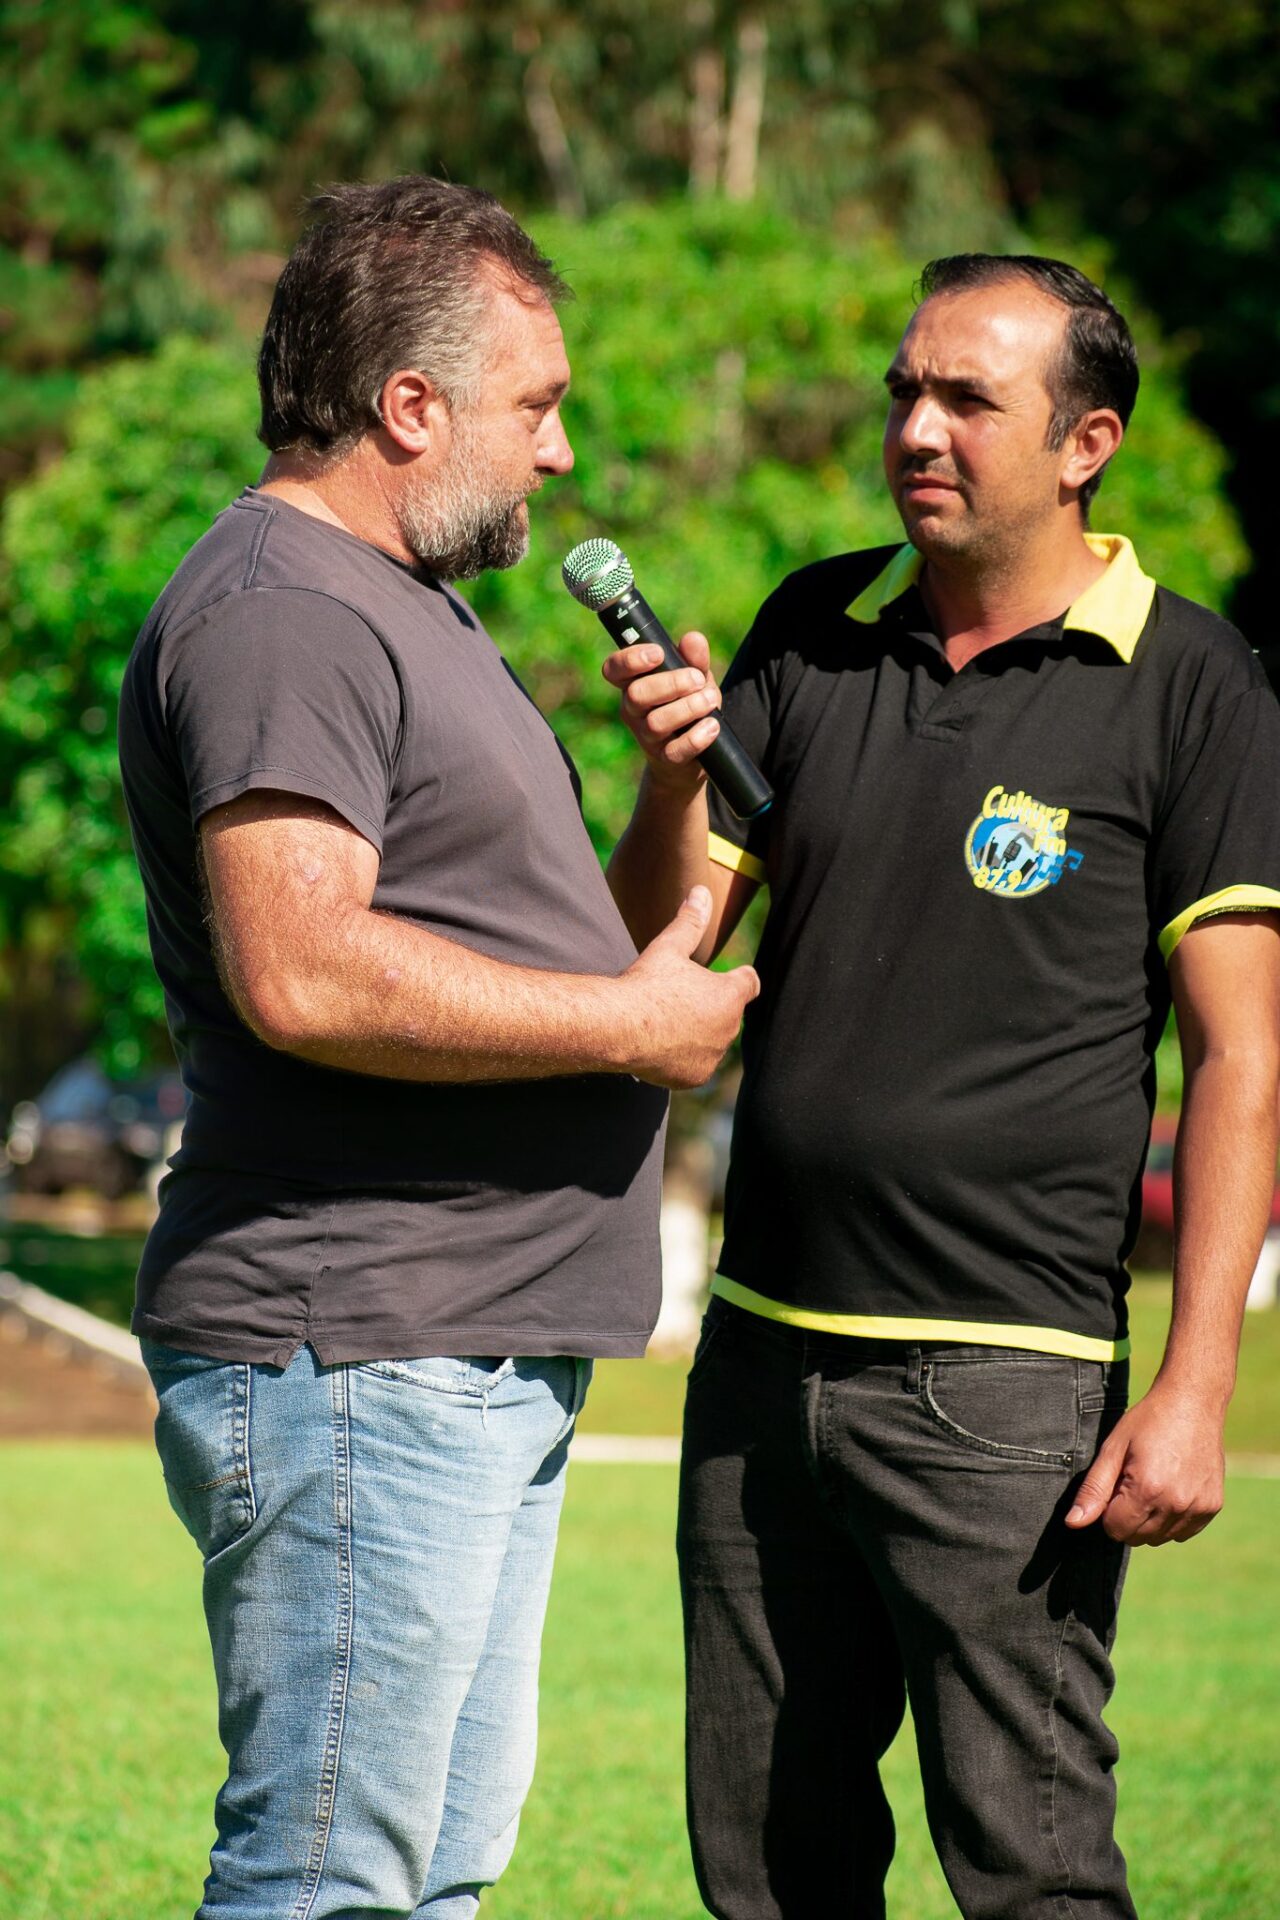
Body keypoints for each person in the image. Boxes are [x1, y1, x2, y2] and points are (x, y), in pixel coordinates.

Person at [603, 254, 1280, 1918]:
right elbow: (652, 948)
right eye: (906, 390)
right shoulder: (809, 628)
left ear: (1086, 441)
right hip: (758, 1365)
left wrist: (1195, 1386)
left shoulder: (1195, 685)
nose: (916, 427)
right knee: (768, 1873)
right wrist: (666, 776)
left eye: (968, 399)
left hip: (1008, 1391)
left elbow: (1246, 1056)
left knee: (1032, 1876)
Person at [117, 177, 757, 1920]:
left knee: (425, 1882)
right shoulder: (286, 610)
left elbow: (560, 954)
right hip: (361, 1346)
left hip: (452, 1350)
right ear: (413, 407)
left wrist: (671, 785)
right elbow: (305, 968)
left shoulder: (415, 608)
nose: (558, 456)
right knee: (332, 1879)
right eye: (536, 406)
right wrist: (637, 1026)